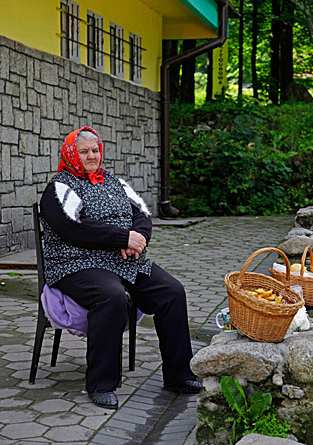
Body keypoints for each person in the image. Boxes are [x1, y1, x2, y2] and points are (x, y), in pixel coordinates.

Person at [40, 126, 201, 409]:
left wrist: (136, 239)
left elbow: (142, 215)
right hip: (76, 263)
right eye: (85, 151)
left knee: (172, 291)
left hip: (122, 259)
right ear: (71, 154)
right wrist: (120, 237)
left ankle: (178, 374)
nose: (92, 156)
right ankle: (101, 383)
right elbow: (71, 228)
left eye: (95, 150)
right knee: (111, 296)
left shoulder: (114, 182)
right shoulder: (59, 186)